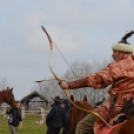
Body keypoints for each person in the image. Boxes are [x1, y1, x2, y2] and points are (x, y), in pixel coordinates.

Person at [59, 31, 134, 134]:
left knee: (81, 127)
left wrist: (68, 85)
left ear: (122, 53)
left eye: (114, 52)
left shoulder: (117, 66)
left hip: (114, 108)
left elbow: (95, 80)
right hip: (130, 107)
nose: (112, 55)